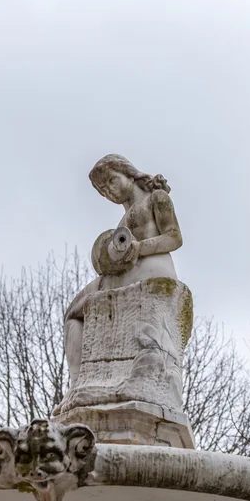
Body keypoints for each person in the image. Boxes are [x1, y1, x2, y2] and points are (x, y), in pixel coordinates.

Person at [65, 154, 183, 382]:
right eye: (103, 190)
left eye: (112, 181)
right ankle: (77, 382)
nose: (110, 191)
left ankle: (77, 381)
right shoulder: (122, 222)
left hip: (152, 268)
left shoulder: (156, 198)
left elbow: (174, 238)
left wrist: (139, 248)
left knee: (73, 311)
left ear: (128, 174)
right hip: (127, 273)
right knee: (73, 313)